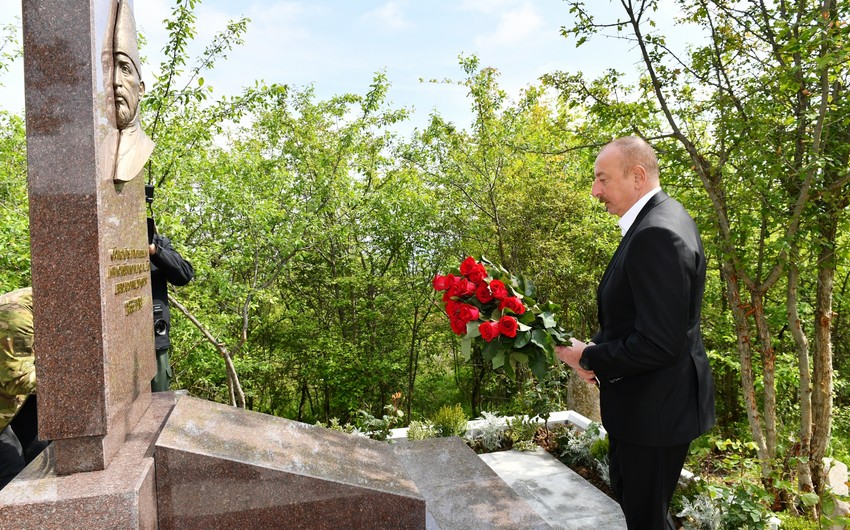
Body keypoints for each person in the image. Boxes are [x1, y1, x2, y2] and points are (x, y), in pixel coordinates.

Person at [556, 136, 715, 529]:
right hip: (651, 406)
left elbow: (659, 343)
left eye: (602, 179)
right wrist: (597, 351)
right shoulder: (662, 218)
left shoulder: (656, 234)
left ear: (638, 176)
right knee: (639, 508)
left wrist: (588, 357)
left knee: (645, 519)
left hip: (655, 413)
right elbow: (635, 316)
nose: (595, 191)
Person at [147, 187, 195, 392]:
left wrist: (155, 251)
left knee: (158, 405)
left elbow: (184, 274)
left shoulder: (159, 243)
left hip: (156, 342)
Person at [112, 0, 154, 182]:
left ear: (141, 89)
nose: (115, 82)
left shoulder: (143, 145)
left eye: (125, 69)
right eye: (109, 69)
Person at [0, 288, 37, 488]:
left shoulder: (40, 304)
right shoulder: (17, 315)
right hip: (5, 403)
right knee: (12, 475)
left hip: (15, 403)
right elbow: (17, 380)